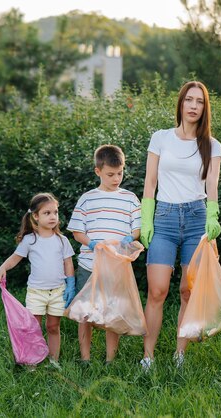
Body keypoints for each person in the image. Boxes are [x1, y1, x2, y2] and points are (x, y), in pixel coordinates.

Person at [139, 80, 221, 370]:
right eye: (189, 100)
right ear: (181, 103)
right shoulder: (161, 138)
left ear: (204, 108)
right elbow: (150, 181)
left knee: (187, 291)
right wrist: (145, 218)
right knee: (157, 291)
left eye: (199, 101)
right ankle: (147, 356)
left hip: (197, 218)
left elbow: (212, 184)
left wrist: (212, 217)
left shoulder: (212, 145)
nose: (193, 106)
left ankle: (179, 354)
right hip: (163, 219)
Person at [67, 144, 142, 364]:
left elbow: (136, 229)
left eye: (120, 173)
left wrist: (131, 238)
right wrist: (91, 243)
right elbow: (77, 230)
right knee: (85, 313)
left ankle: (110, 359)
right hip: (90, 264)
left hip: (116, 267)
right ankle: (85, 358)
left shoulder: (130, 198)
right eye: (110, 174)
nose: (116, 178)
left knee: (113, 313)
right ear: (97, 171)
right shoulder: (88, 199)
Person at [0, 192, 75, 366]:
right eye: (47, 213)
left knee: (53, 327)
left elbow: (68, 263)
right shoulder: (30, 240)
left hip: (58, 291)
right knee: (33, 328)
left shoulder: (62, 241)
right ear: (36, 216)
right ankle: (32, 361)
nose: (53, 216)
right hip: (36, 292)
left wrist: (71, 284)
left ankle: (54, 361)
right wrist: (3, 267)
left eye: (55, 212)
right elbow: (15, 258)